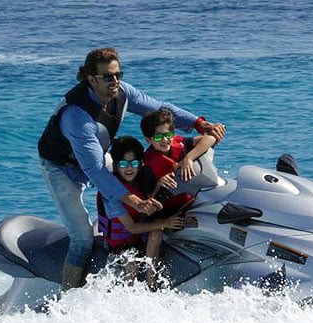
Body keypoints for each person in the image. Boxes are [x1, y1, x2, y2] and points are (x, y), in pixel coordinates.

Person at [38, 47, 227, 290]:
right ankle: (67, 297)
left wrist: (199, 124)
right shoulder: (76, 116)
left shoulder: (122, 92)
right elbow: (95, 170)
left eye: (118, 74)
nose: (115, 81)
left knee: (131, 181)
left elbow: (159, 109)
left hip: (95, 155)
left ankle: (119, 235)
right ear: (91, 79)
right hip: (61, 168)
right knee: (82, 238)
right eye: (108, 77)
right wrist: (136, 202)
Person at [96, 136, 184, 289]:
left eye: (134, 163)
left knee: (157, 232)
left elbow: (149, 199)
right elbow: (131, 228)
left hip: (139, 239)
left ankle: (152, 283)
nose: (129, 168)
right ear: (116, 166)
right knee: (131, 266)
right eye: (124, 164)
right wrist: (165, 223)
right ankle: (128, 294)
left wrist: (159, 183)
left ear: (140, 164)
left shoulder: (141, 179)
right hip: (119, 244)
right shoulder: (111, 194)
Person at [140, 107, 218, 217]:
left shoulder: (181, 144)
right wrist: (159, 183)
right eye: (158, 137)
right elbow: (149, 200)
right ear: (148, 139)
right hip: (172, 211)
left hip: (194, 201)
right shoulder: (147, 165)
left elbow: (210, 139)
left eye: (167, 135)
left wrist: (188, 158)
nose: (164, 140)